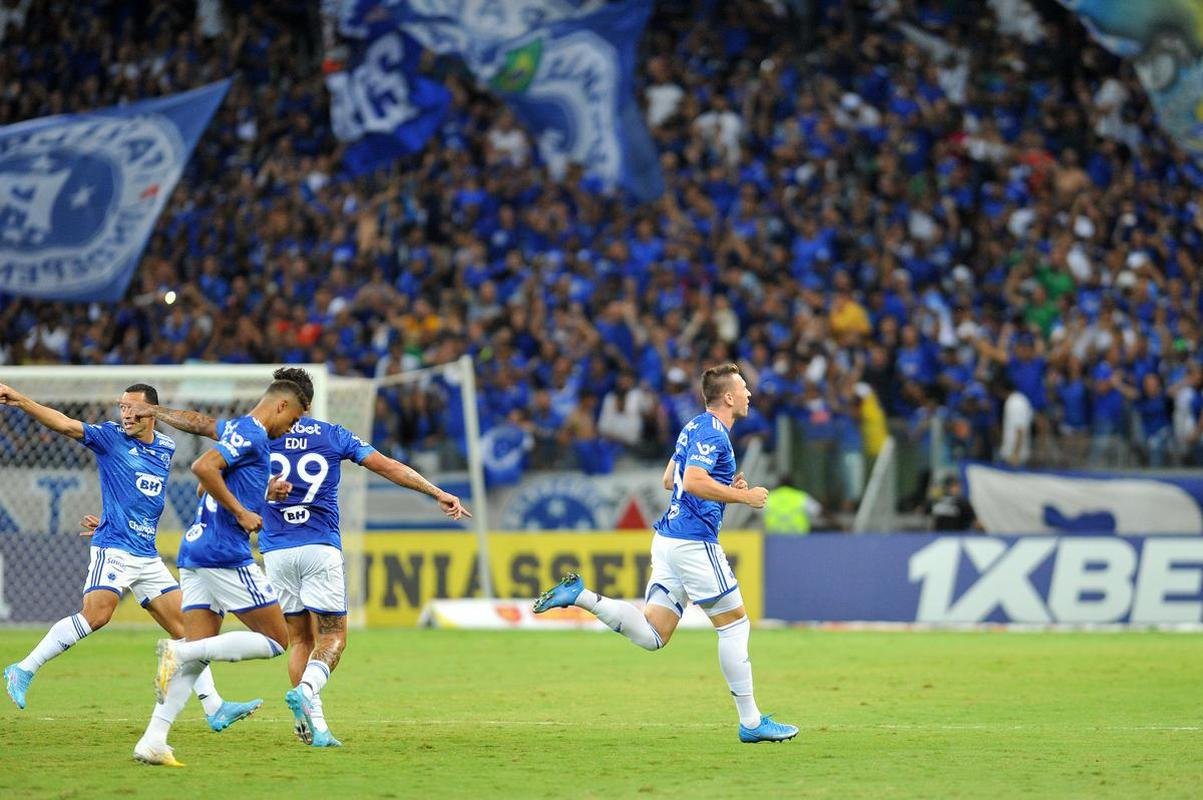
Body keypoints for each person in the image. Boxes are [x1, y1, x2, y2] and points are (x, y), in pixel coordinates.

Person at [129, 367, 471, 748]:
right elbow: (387, 465)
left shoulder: (248, 430)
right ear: (299, 403)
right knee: (331, 635)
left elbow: (200, 424)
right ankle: (307, 698)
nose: (293, 422)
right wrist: (434, 491)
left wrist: (158, 413)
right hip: (317, 546)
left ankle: (312, 726)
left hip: (275, 550)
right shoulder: (330, 434)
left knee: (298, 640)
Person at [532, 364, 798, 744]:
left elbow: (669, 478)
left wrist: (724, 483)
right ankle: (752, 722)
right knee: (735, 625)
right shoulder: (714, 434)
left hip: (668, 540)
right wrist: (744, 495)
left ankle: (582, 596)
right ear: (727, 397)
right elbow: (690, 481)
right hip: (693, 543)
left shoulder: (693, 427)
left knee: (654, 634)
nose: (749, 394)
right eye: (743, 388)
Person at [0, 382, 258, 733]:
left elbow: (139, 494)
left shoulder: (166, 447)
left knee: (190, 629)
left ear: (151, 412)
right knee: (97, 614)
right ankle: (24, 668)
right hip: (115, 547)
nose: (126, 414)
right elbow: (63, 423)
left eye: (133, 408)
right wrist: (21, 401)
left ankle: (214, 707)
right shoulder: (109, 438)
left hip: (146, 556)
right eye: (121, 407)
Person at [132, 379, 306, 767]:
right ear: (281, 406)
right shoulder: (254, 433)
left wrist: (260, 495)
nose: (291, 429)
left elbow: (205, 460)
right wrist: (242, 512)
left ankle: (153, 739)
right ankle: (180, 649)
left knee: (197, 661)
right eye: (293, 419)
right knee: (278, 639)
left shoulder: (237, 430)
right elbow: (202, 467)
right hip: (224, 552)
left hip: (195, 549)